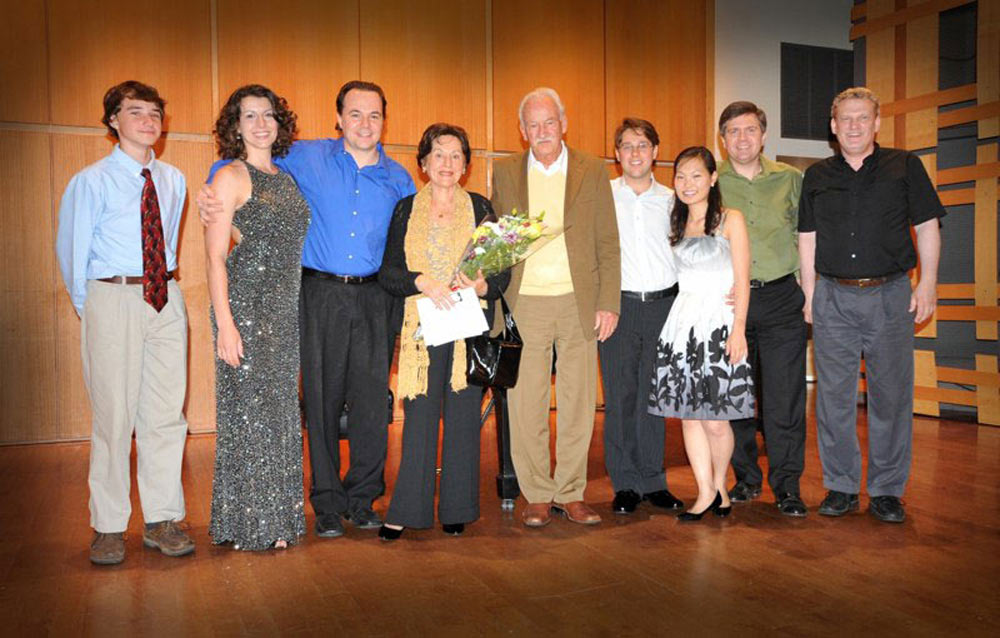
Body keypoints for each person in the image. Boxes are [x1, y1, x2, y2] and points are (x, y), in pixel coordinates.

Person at [199, 81, 415, 538]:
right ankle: (329, 504)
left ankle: (362, 498)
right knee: (320, 399)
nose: (364, 124)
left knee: (373, 404)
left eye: (374, 115)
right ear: (338, 118)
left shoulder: (399, 179)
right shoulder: (306, 155)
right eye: (354, 114)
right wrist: (212, 187)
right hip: (319, 294)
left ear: (384, 121)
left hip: (377, 297)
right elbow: (248, 158)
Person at [55, 81, 195, 565]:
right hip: (111, 295)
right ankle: (109, 526)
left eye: (155, 112)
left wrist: (163, 289)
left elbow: (169, 238)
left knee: (165, 414)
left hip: (165, 296)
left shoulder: (173, 179)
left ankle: (162, 519)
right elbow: (72, 253)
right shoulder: (90, 180)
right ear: (113, 120)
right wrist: (93, 306)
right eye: (136, 112)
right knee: (114, 416)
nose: (149, 121)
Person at [798, 87, 943, 523]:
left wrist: (928, 283)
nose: (854, 126)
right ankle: (841, 487)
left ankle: (886, 491)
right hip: (833, 297)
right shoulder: (817, 176)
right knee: (833, 401)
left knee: (891, 397)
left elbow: (928, 226)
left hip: (891, 295)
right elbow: (808, 237)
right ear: (833, 125)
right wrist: (809, 293)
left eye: (863, 118)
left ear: (877, 123)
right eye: (846, 119)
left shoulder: (905, 166)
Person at [491, 87, 621, 528]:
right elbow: (499, 240)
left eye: (549, 122)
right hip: (524, 300)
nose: (542, 131)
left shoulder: (593, 170)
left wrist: (608, 301)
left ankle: (571, 491)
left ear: (564, 124)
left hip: (578, 300)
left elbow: (607, 240)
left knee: (578, 400)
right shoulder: (506, 172)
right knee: (525, 400)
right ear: (522, 130)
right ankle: (537, 493)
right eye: (533, 124)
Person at [376, 123, 510, 541]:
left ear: (466, 165)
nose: (447, 163)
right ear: (423, 163)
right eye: (439, 154)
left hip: (467, 328)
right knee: (418, 421)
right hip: (421, 328)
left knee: (464, 419)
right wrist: (422, 282)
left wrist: (483, 284)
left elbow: (502, 274)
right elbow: (389, 273)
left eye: (456, 155)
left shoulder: (484, 207)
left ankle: (458, 506)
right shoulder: (404, 210)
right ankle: (408, 510)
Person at [204, 85, 310, 550]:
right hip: (245, 307)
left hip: (285, 308)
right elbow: (213, 259)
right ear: (236, 126)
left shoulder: (286, 178)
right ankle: (253, 524)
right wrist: (226, 324)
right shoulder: (230, 176)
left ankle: (276, 520)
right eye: (249, 116)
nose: (261, 124)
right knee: (250, 416)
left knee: (280, 413)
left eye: (268, 114)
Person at [649, 146, 753, 522]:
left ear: (712, 178)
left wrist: (738, 328)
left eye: (696, 175)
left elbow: (742, 280)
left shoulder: (731, 219)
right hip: (682, 323)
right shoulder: (675, 224)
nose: (687, 184)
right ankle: (706, 490)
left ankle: (720, 485)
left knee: (716, 417)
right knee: (688, 416)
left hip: (720, 323)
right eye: (680, 176)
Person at [716, 101, 808, 517]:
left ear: (764, 134)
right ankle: (746, 479)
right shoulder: (713, 181)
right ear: (722, 138)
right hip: (730, 303)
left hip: (780, 299)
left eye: (750, 130)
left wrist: (811, 290)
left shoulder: (791, 180)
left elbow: (807, 236)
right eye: (733, 131)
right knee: (735, 397)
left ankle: (787, 486)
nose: (742, 138)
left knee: (783, 399)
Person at [601, 118, 684, 515]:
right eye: (627, 146)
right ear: (617, 154)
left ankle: (654, 480)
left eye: (643, 145)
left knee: (656, 397)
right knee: (620, 398)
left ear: (655, 151)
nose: (635, 152)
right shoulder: (601, 196)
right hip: (617, 307)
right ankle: (625, 484)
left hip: (665, 308)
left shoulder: (673, 200)